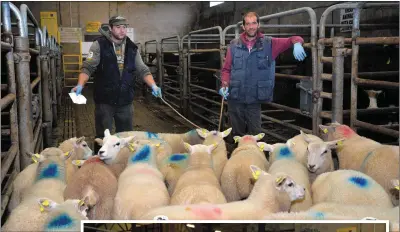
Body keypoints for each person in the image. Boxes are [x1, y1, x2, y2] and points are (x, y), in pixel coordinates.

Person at [71, 15, 162, 152]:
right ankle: (98, 163)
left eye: (124, 27)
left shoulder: (132, 47)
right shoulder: (99, 45)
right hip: (105, 101)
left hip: (125, 101)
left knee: (126, 137)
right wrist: (80, 84)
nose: (122, 30)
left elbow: (142, 69)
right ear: (111, 28)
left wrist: (153, 85)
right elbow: (88, 66)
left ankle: (123, 161)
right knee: (102, 136)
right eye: (118, 27)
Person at [219, 12, 307, 139]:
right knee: (236, 134)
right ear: (243, 27)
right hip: (235, 95)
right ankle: (239, 155)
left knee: (256, 134)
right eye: (248, 24)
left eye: (254, 23)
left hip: (254, 98)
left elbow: (293, 39)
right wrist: (224, 84)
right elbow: (226, 69)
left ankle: (256, 156)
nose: (251, 27)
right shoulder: (233, 45)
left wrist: (297, 43)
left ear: (258, 24)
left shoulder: (270, 43)